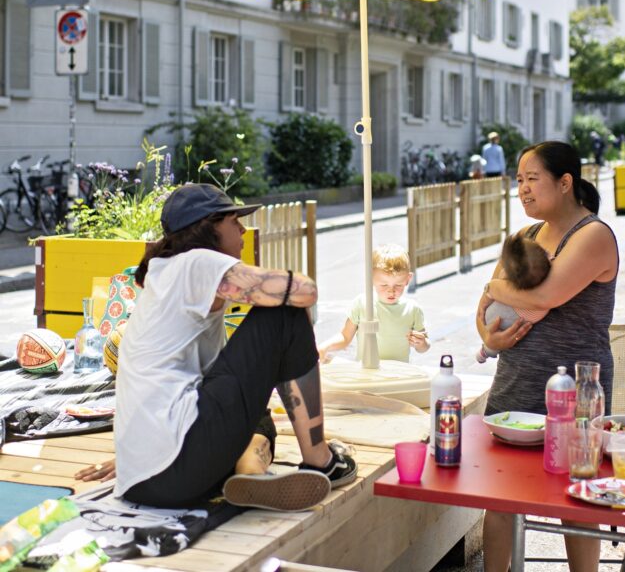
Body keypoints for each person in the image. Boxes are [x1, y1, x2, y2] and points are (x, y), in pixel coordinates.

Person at [78, 183, 356, 511]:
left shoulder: (166, 275)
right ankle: (321, 460)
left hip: (146, 481)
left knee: (258, 411)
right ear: (208, 228)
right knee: (285, 312)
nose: (242, 229)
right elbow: (304, 291)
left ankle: (250, 473)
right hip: (182, 462)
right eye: (233, 221)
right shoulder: (196, 261)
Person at [475, 141, 618, 572]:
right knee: (499, 499)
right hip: (514, 385)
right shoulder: (525, 237)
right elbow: (483, 315)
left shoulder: (593, 235)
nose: (522, 189)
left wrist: (493, 287)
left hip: (576, 394)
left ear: (565, 182)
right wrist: (489, 337)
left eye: (532, 178)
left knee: (574, 500)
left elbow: (548, 295)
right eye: (518, 180)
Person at [318, 244, 430, 363]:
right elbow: (345, 337)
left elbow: (424, 347)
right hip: (367, 374)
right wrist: (325, 346)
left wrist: (421, 343)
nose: (391, 290)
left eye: (398, 285)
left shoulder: (413, 309)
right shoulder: (362, 303)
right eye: (384, 285)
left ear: (408, 279)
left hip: (398, 375)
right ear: (371, 278)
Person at [476, 233, 551, 363]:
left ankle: (486, 351)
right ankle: (488, 349)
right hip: (530, 316)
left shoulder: (509, 278)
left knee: (494, 325)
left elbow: (497, 284)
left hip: (505, 315)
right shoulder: (546, 275)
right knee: (495, 330)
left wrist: (492, 287)